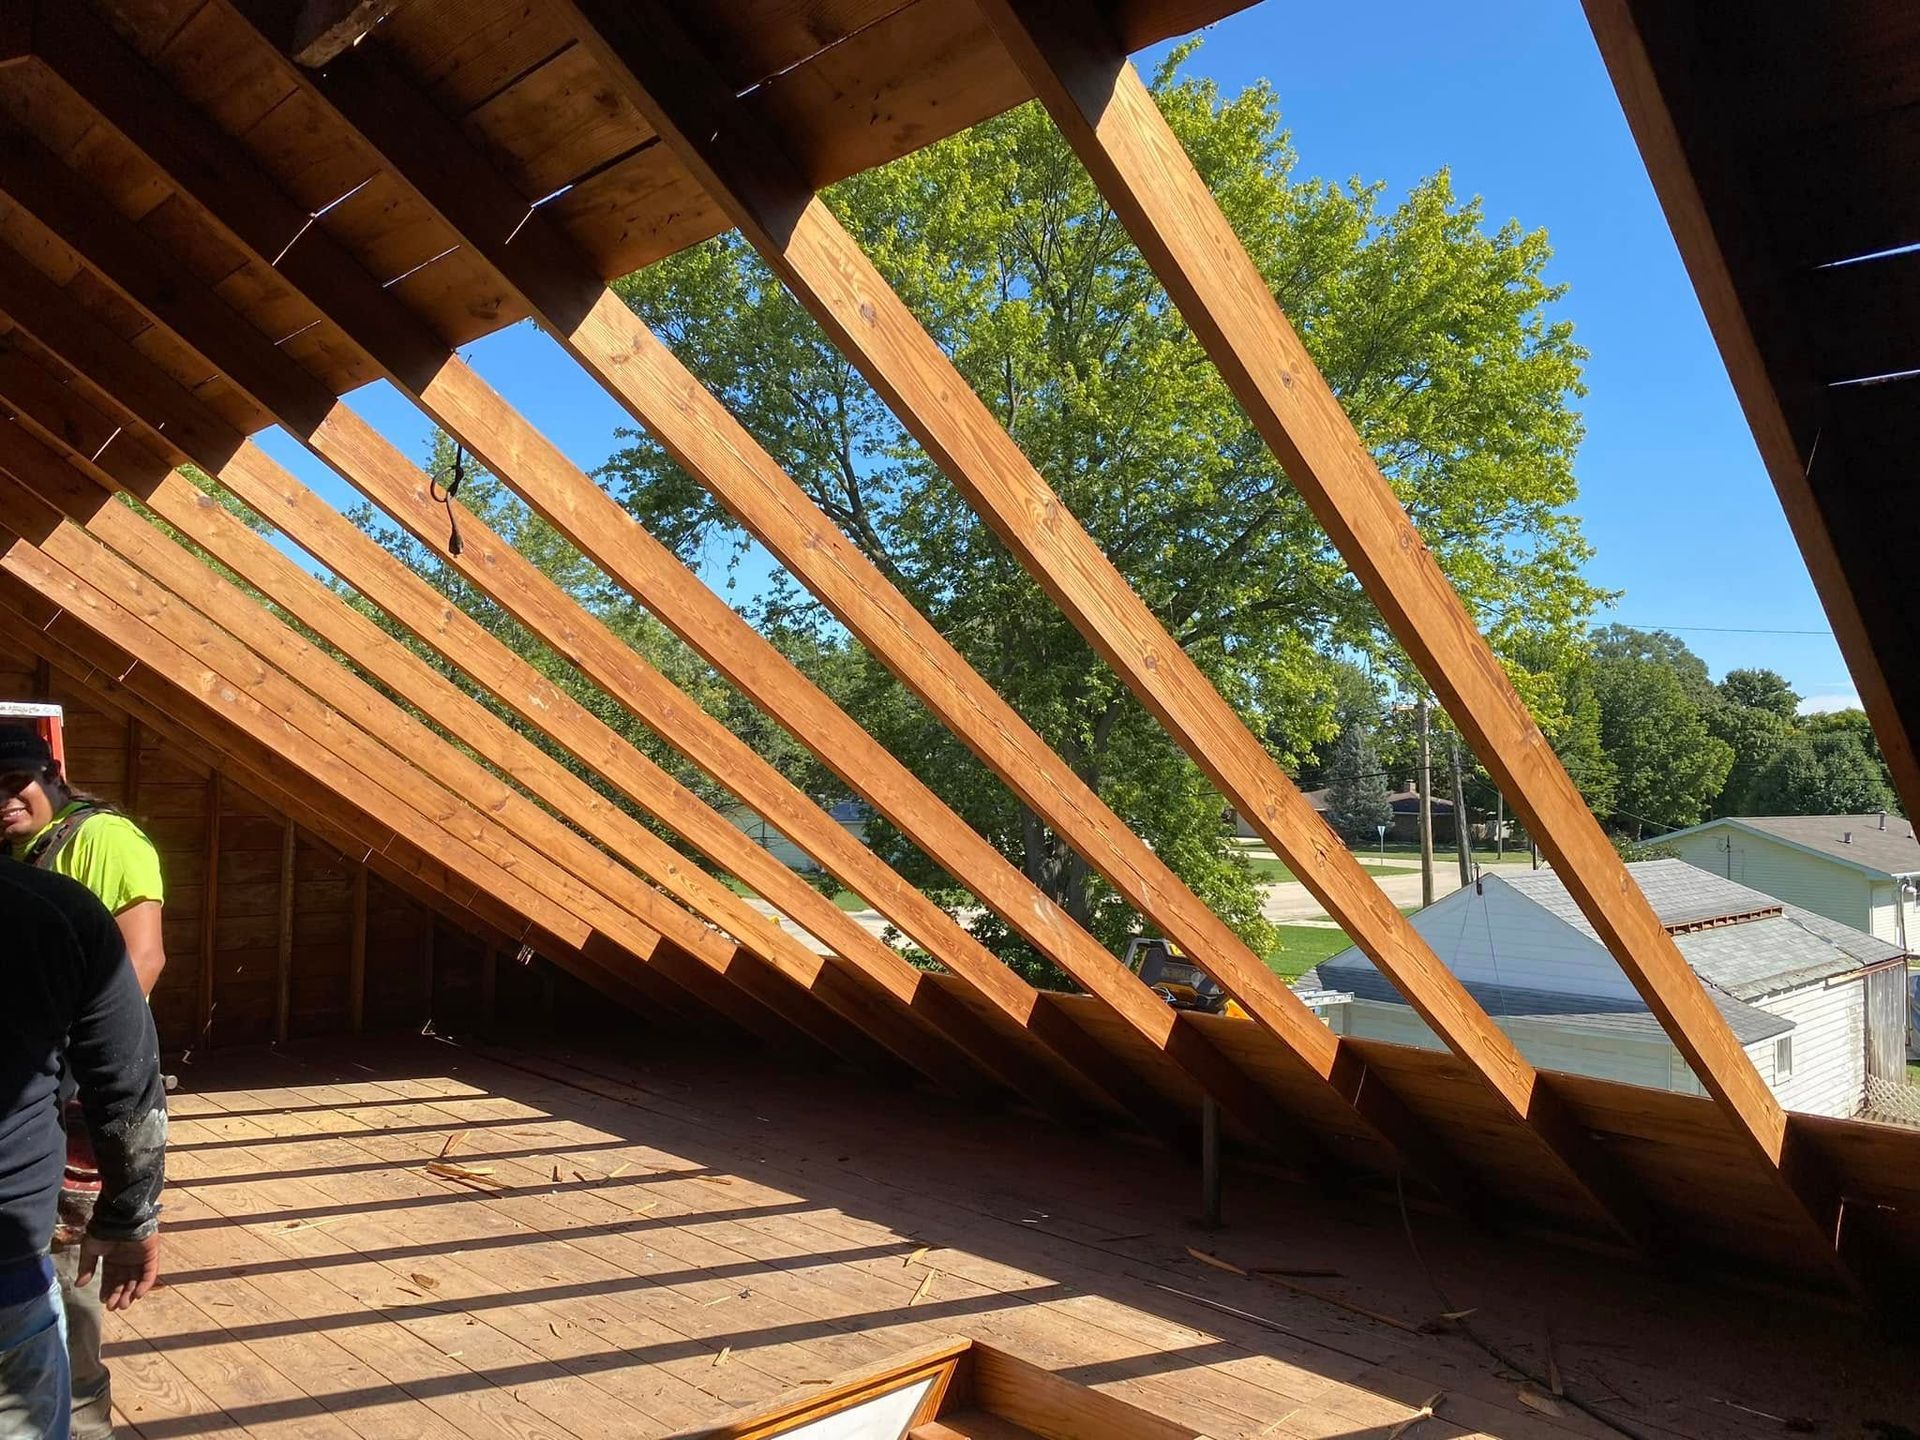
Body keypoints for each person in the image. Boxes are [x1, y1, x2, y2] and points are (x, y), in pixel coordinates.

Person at [0, 725, 168, 1440]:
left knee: (72, 1273)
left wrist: (75, 1057)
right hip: (55, 1085)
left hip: (75, 1092)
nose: (4, 800)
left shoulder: (104, 838)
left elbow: (143, 959)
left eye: (16, 782)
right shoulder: (25, 855)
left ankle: (84, 1411)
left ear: (53, 773)